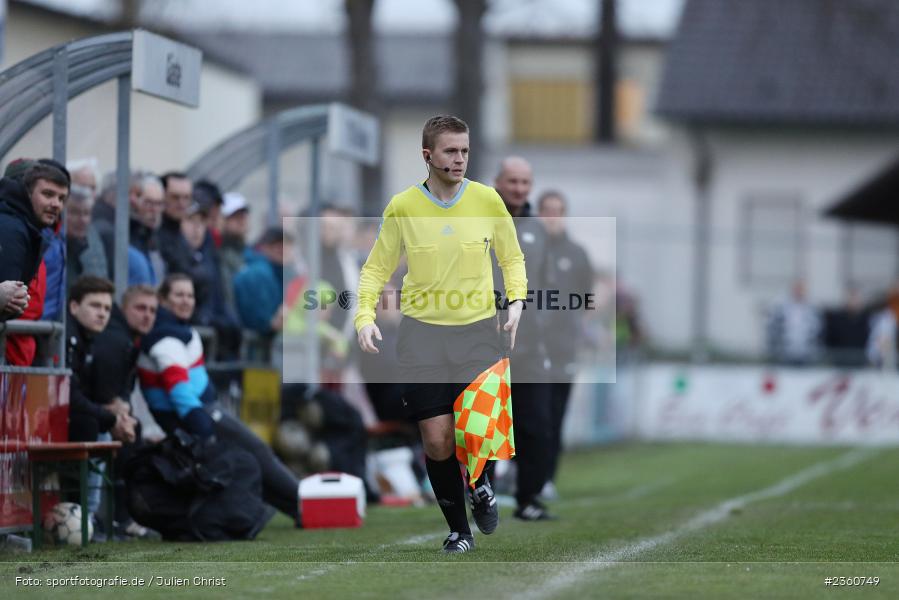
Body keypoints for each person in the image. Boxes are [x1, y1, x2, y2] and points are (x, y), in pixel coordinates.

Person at [355, 115, 527, 553]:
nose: (460, 159)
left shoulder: (488, 201)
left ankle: (481, 482)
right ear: (428, 155)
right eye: (451, 151)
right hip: (421, 337)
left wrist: (517, 303)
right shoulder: (403, 207)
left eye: (465, 151)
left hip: (476, 332)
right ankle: (458, 529)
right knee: (437, 440)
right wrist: (364, 316)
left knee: (475, 431)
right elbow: (376, 268)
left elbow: (512, 259)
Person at [138, 274, 301, 523]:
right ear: (163, 300)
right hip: (201, 414)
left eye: (190, 295)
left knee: (253, 460)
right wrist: (204, 430)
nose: (186, 301)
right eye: (179, 295)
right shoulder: (167, 338)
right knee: (258, 453)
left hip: (203, 410)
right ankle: (306, 504)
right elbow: (180, 392)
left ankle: (299, 508)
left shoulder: (176, 329)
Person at [492, 156, 556, 521]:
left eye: (524, 182)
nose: (518, 188)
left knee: (536, 425)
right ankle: (478, 495)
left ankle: (528, 499)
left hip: (530, 346)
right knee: (482, 426)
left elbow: (546, 286)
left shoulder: (538, 230)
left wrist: (542, 325)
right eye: (511, 181)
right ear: (497, 181)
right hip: (484, 342)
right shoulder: (480, 222)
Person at [537, 190, 594, 499]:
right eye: (547, 210)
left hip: (563, 348)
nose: (552, 216)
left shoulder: (577, 254)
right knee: (531, 414)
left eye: (557, 210)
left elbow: (585, 298)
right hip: (530, 349)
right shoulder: (526, 249)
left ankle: (547, 478)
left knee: (555, 415)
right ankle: (521, 474)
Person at [234, 227, 295, 336]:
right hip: (255, 343)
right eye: (278, 246)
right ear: (265, 247)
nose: (283, 250)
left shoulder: (276, 272)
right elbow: (257, 318)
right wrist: (271, 323)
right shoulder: (259, 273)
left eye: (287, 245)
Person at [766, 280, 821, 366]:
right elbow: (774, 327)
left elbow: (817, 329)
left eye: (801, 290)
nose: (799, 292)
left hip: (806, 352)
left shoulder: (811, 308)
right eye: (797, 289)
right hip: (786, 352)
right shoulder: (782, 307)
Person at [65, 185, 109, 286]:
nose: (82, 220)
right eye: (74, 212)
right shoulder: (52, 247)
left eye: (86, 213)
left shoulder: (94, 242)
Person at [128, 174, 167, 286]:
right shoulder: (126, 235)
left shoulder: (158, 236)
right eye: (149, 203)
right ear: (135, 202)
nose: (154, 210)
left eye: (159, 204)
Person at [219, 192, 250, 313]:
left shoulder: (249, 253)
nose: (241, 220)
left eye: (243, 215)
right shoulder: (219, 254)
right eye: (235, 216)